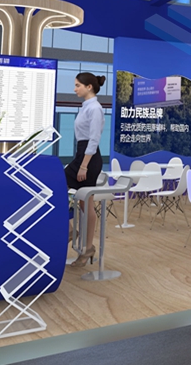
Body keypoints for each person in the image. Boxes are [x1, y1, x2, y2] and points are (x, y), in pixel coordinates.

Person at [65, 72, 105, 267]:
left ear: (89, 87)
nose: (75, 89)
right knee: (82, 202)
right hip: (82, 154)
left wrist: (83, 165)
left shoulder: (95, 108)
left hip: (89, 158)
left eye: (78, 85)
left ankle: (86, 245)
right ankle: (71, 231)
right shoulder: (86, 107)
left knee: (85, 203)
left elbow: (94, 139)